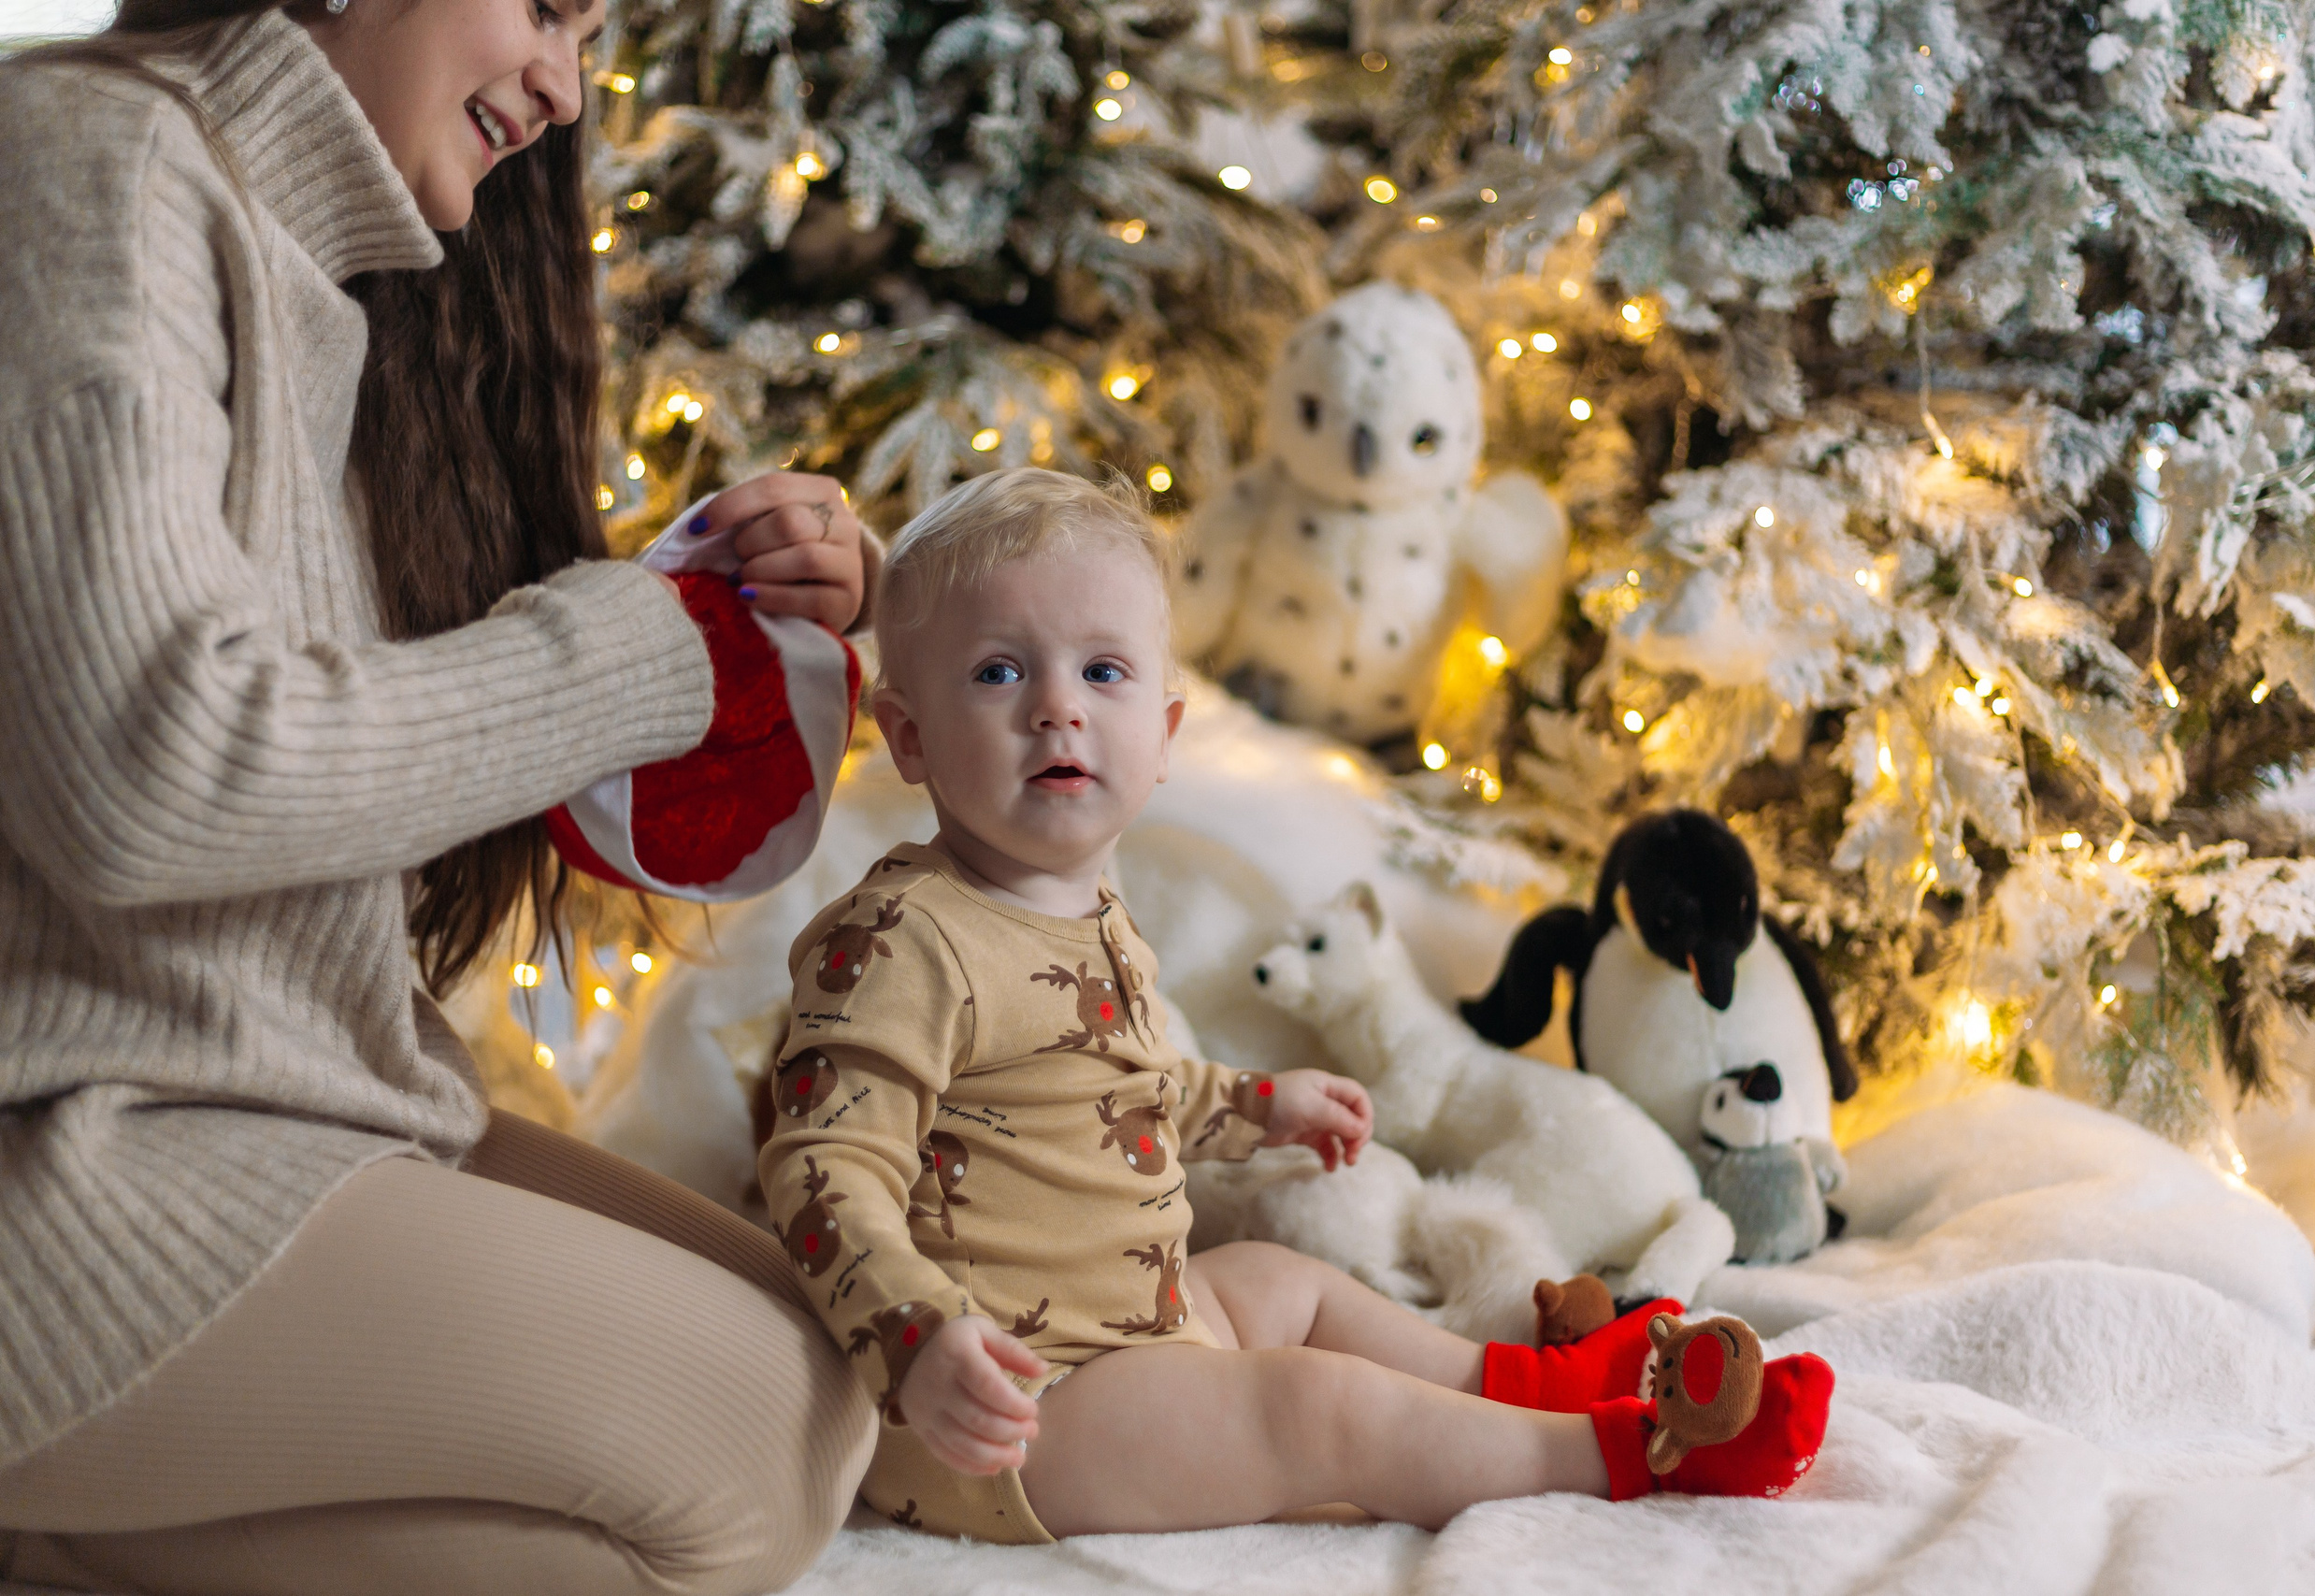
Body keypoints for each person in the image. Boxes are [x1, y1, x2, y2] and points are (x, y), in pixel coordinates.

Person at [0, 4, 880, 1592]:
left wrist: (727, 599)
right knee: (741, 1444)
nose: (567, 82)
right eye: (547, 9)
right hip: (76, 1149)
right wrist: (625, 652)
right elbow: (151, 771)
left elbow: (351, 754)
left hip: (263, 1101)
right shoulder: (96, 159)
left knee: (825, 1371)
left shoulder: (323, 278)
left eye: (595, 32)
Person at [758, 467, 1833, 1542]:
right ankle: (1623, 1449)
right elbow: (821, 1167)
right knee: (1308, 1407)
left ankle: (1531, 1381)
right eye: (998, 672)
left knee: (1284, 1283)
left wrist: (1252, 1103)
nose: (1058, 705)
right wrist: (918, 1339)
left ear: (1164, 727)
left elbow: (1116, 1095)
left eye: (1102, 669)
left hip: (1139, 1331)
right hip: (1008, 1413)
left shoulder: (1090, 916)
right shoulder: (901, 940)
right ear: (906, 736)